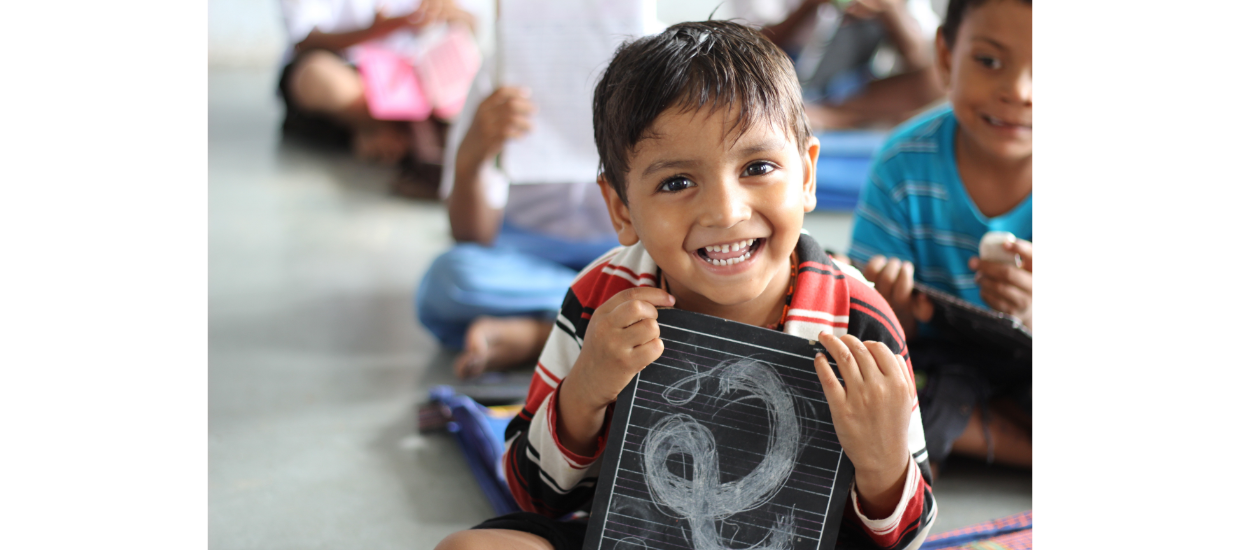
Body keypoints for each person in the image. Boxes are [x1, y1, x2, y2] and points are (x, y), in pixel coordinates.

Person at [436, 20, 936, 550]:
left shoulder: (859, 320)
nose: (724, 211)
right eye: (677, 182)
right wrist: (584, 392)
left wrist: (883, 467)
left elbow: (909, 534)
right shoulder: (601, 299)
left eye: (758, 166)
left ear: (807, 177)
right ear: (621, 208)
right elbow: (530, 492)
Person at [846, 0, 1032, 471]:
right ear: (947, 57)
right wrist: (895, 317)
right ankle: (1008, 439)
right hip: (940, 363)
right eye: (989, 61)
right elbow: (859, 321)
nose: (1018, 90)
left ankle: (983, 433)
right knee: (860, 391)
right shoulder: (902, 165)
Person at [415, 56, 622, 379]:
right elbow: (470, 234)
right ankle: (607, 315)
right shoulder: (501, 68)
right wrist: (471, 161)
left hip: (623, 250)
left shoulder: (654, 59)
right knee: (450, 278)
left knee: (696, 278)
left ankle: (538, 335)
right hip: (523, 255)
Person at [277, 0, 476, 166]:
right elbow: (304, 40)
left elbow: (471, 23)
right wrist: (379, 29)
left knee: (468, 73)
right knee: (317, 75)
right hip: (350, 74)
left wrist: (449, 14)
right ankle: (412, 134)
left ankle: (385, 133)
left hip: (412, 78)